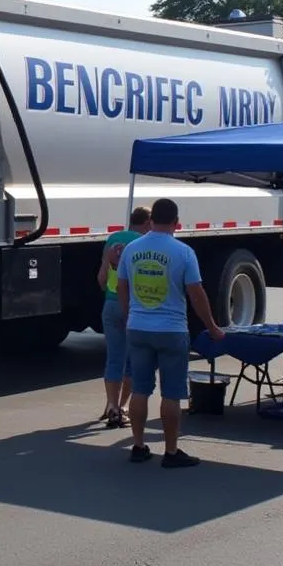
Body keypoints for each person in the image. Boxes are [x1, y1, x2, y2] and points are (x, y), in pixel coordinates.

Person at [116, 198, 224, 468]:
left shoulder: (131, 248)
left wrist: (129, 315)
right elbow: (196, 294)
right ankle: (172, 451)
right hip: (171, 329)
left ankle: (139, 446)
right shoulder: (183, 252)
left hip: (138, 327)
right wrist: (211, 326)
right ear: (177, 222)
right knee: (172, 393)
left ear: (151, 220)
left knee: (140, 390)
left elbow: (122, 286)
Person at [96, 206, 152, 428]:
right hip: (133, 307)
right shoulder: (143, 243)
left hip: (111, 304)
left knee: (114, 358)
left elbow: (101, 277)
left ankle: (111, 406)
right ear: (147, 224)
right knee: (131, 361)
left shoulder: (113, 239)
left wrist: (109, 292)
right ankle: (123, 407)